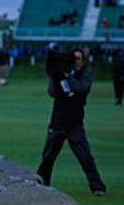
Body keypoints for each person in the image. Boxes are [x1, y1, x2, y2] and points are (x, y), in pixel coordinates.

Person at [37, 47, 106, 196]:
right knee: (48, 157)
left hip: (75, 124)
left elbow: (81, 89)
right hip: (57, 123)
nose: (75, 62)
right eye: (73, 58)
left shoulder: (84, 77)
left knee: (85, 157)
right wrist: (57, 75)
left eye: (78, 59)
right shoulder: (59, 75)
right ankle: (42, 184)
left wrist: (68, 76)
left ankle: (97, 187)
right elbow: (52, 93)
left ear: (83, 61)